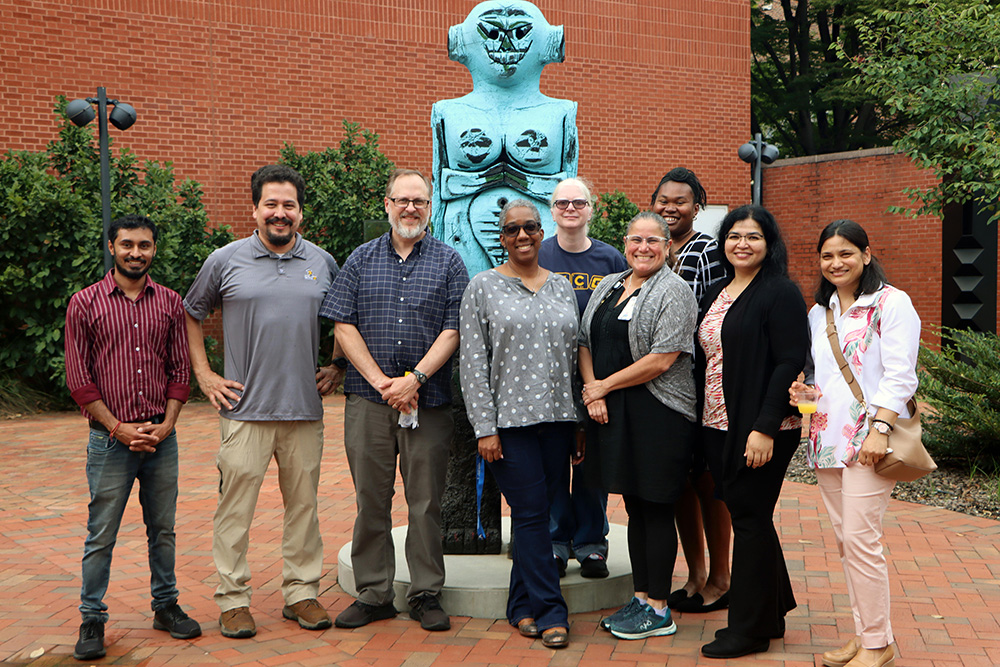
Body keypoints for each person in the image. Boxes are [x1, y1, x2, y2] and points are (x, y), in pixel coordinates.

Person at [184, 165, 341, 639]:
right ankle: (233, 601)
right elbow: (190, 313)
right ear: (254, 209)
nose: (280, 213)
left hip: (303, 411)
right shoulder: (225, 260)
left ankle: (301, 593)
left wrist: (337, 366)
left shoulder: (322, 262)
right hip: (243, 412)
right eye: (271, 204)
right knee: (235, 510)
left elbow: (343, 318)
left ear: (299, 211)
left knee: (304, 509)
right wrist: (205, 375)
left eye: (288, 205)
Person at [320, 168, 469, 632]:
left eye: (419, 202)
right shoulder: (361, 260)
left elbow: (454, 329)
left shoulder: (449, 262)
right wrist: (383, 381)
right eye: (402, 200)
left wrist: (415, 379)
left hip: (429, 402)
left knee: (425, 502)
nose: (410, 209)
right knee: (371, 498)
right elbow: (342, 323)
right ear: (387, 204)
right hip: (368, 401)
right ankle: (374, 593)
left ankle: (425, 593)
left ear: (431, 208)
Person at [65, 214, 201, 661]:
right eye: (127, 245)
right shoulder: (84, 304)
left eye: (144, 245)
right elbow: (79, 379)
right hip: (109, 440)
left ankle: (166, 606)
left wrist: (168, 423)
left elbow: (181, 371)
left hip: (161, 438)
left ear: (154, 250)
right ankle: (91, 618)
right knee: (101, 533)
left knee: (162, 530)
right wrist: (118, 428)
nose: (135, 253)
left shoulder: (169, 303)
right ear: (111, 246)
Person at [790, 220, 917, 667]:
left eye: (845, 253)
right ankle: (868, 634)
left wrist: (880, 430)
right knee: (848, 542)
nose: (836, 262)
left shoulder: (891, 303)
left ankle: (878, 646)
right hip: (826, 439)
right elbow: (819, 376)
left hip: (869, 440)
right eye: (827, 255)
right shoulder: (818, 313)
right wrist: (804, 391)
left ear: (866, 253)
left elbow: (901, 374)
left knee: (862, 541)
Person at [460, 199, 578, 649]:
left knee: (547, 515)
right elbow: (472, 364)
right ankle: (551, 611)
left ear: (541, 231)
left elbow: (574, 356)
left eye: (530, 226)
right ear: (502, 238)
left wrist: (580, 422)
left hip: (560, 419)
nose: (523, 235)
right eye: (513, 230)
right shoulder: (483, 287)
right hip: (509, 426)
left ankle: (520, 605)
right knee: (530, 516)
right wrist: (484, 428)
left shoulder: (562, 287)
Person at [579, 212, 698, 640]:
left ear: (668, 246)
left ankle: (660, 608)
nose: (642, 248)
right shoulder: (610, 285)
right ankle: (642, 596)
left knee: (657, 506)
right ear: (625, 244)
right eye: (635, 240)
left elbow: (663, 358)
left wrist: (602, 387)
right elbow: (584, 340)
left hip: (659, 413)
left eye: (653, 240)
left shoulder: (675, 291)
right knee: (634, 506)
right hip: (614, 411)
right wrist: (594, 390)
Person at [697, 205, 809, 659]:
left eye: (753, 237)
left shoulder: (779, 292)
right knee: (752, 518)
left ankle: (748, 630)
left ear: (770, 244)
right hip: (718, 423)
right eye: (734, 236)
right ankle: (774, 610)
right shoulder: (722, 290)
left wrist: (763, 428)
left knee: (748, 521)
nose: (742, 244)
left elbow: (788, 361)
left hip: (762, 427)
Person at [650, 168, 731, 614]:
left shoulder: (707, 252)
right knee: (679, 481)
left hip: (701, 383)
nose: (670, 208)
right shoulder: (654, 248)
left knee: (708, 482)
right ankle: (695, 574)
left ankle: (721, 576)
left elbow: (713, 320)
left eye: (680, 201)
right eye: (663, 200)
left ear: (697, 206)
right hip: (665, 388)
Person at [538, 177, 627, 579]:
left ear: (591, 208)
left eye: (579, 202)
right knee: (554, 461)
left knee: (593, 463)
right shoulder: (537, 255)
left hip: (599, 379)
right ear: (551, 210)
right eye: (562, 203)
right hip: (548, 377)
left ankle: (591, 543)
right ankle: (556, 541)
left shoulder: (610, 260)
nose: (570, 209)